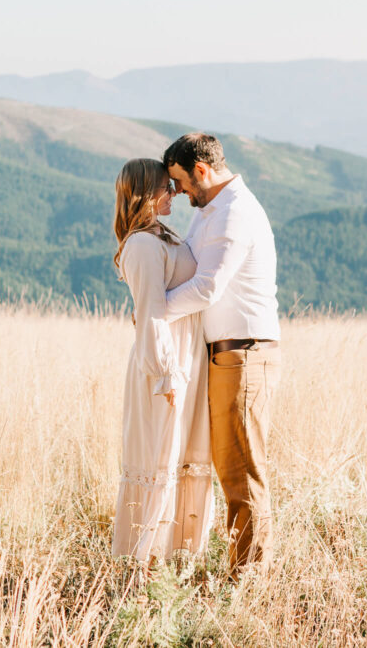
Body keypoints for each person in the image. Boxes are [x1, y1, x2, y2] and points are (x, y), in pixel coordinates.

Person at [161, 133, 281, 577]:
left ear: (202, 171)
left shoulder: (235, 213)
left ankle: (248, 579)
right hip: (225, 356)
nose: (179, 192)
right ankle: (241, 568)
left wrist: (154, 310)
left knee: (242, 472)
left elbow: (208, 285)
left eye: (180, 182)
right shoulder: (210, 211)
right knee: (229, 469)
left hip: (244, 356)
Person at [110, 158, 215, 564]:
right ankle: (146, 563)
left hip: (185, 360)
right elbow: (152, 313)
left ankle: (179, 561)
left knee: (181, 457)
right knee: (161, 457)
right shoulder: (141, 245)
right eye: (166, 188)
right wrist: (166, 373)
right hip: (164, 370)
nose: (174, 194)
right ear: (147, 194)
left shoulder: (164, 235)